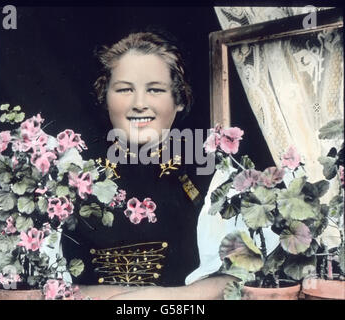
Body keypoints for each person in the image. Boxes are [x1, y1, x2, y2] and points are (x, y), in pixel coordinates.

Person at [61, 31, 236, 300]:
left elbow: (237, 278)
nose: (139, 104)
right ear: (105, 97)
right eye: (124, 89)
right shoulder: (70, 169)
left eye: (155, 89)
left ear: (178, 100)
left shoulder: (210, 170)